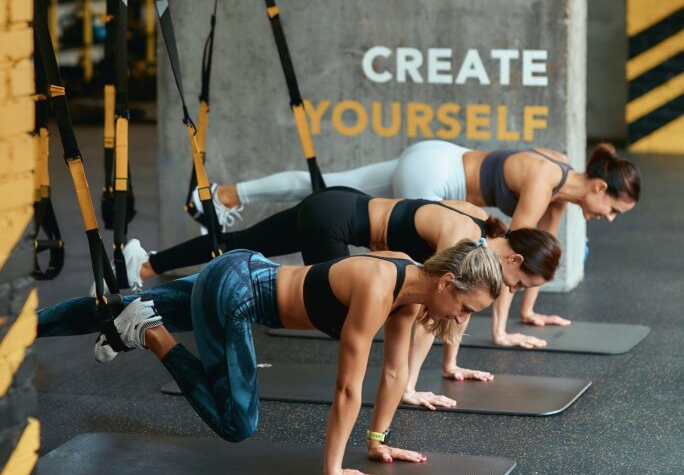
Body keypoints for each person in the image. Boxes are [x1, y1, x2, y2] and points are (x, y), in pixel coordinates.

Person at [37, 241, 502, 475]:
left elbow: (397, 372)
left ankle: (19, 325)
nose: (462, 320)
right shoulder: (381, 284)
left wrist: (378, 442)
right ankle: (150, 332)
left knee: (112, 304)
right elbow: (346, 389)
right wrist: (334, 470)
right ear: (447, 283)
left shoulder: (410, 288)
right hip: (237, 295)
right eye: (466, 308)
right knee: (237, 423)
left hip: (241, 272)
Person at [119, 186, 561, 387]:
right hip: (335, 222)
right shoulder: (465, 241)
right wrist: (407, 382)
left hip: (334, 205)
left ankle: (145, 266)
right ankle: (201, 330)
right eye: (521, 283)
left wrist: (448, 365)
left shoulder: (480, 220)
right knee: (338, 317)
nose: (516, 290)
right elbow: (429, 314)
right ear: (514, 260)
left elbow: (446, 308)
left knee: (240, 241)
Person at [197, 141, 639, 333]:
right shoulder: (544, 182)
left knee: (328, 184)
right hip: (437, 178)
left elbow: (540, 258)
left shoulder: (561, 172)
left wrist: (529, 314)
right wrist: (502, 331)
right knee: (420, 278)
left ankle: (228, 194)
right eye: (614, 210)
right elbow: (511, 261)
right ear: (600, 188)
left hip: (434, 156)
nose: (610, 218)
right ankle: (399, 369)